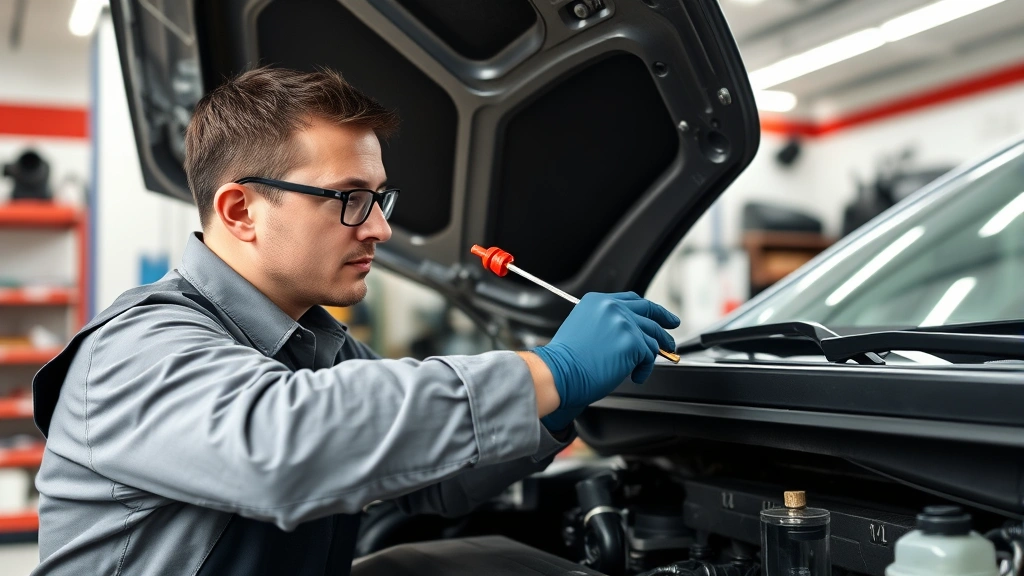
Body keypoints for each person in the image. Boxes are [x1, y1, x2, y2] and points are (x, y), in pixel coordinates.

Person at [30, 67, 678, 576]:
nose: (381, 228)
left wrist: (554, 409)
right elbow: (287, 445)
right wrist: (550, 370)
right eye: (350, 199)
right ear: (239, 212)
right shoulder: (134, 350)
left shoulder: (320, 350)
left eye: (380, 198)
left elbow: (436, 482)